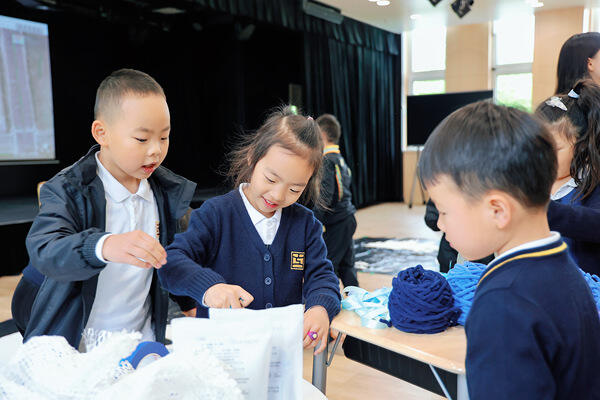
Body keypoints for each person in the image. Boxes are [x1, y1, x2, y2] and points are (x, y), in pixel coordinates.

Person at [418, 101, 600, 398]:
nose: (439, 224)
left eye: (445, 211)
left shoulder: (504, 302)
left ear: (498, 210)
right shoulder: (565, 271)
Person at [15, 68, 196, 348]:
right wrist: (104, 245)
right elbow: (45, 249)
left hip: (139, 337)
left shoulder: (167, 192)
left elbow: (175, 257)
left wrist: (191, 302)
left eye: (164, 137)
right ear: (102, 133)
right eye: (142, 139)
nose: (156, 150)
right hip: (78, 341)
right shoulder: (69, 188)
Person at [157, 106, 341, 355]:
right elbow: (171, 264)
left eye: (295, 189)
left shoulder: (305, 224)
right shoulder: (216, 214)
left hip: (277, 356)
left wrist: (320, 307)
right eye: (271, 179)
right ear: (253, 157)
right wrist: (209, 288)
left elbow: (323, 276)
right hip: (219, 355)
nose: (278, 195)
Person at [536, 79, 600, 275]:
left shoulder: (592, 184)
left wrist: (541, 210)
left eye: (554, 149)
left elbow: (594, 224)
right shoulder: (533, 183)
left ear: (582, 147)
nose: (543, 156)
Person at [313, 113, 358, 287]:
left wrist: (313, 222)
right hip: (347, 219)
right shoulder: (339, 159)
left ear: (322, 134)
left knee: (328, 264)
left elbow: (325, 197)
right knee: (347, 265)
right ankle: (356, 297)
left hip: (339, 222)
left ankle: (326, 296)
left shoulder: (327, 161)